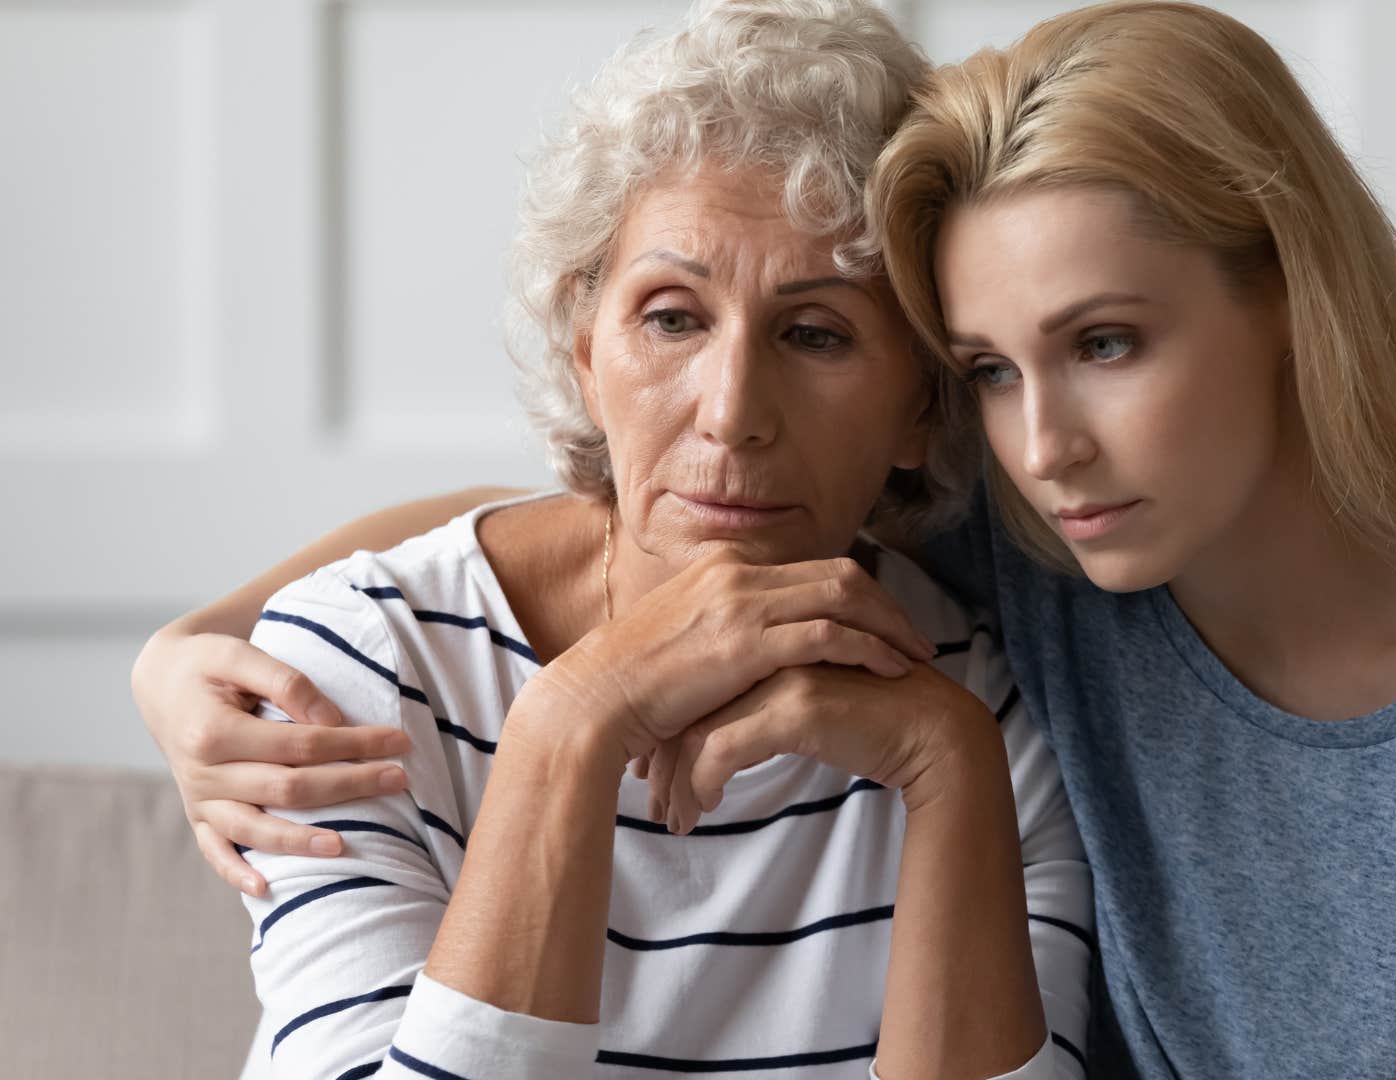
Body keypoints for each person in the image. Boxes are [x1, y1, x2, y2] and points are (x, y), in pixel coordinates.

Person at [134, 2, 1396, 1077]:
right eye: (991, 369)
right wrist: (186, 650)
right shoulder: (1065, 557)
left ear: (1292, 301)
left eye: (1109, 341)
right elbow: (646, 512)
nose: (1044, 441)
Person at [129, 2, 1093, 1077]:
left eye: (816, 333)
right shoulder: (374, 670)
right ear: (587, 353)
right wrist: (571, 727)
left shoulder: (979, 713)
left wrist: (947, 765)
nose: (731, 411)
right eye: (672, 318)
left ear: (922, 403)